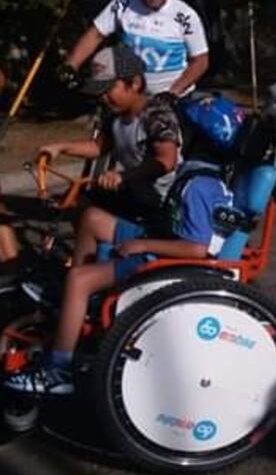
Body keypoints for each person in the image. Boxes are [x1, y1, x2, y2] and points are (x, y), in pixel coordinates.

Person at [4, 101, 238, 396]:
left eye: (185, 131)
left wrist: (142, 243)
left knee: (79, 280)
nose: (179, 136)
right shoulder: (200, 175)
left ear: (198, 139)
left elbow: (197, 249)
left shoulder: (199, 186)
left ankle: (58, 370)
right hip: (164, 240)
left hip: (166, 259)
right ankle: (75, 310)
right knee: (91, 219)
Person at [37, 43, 181, 267]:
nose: (103, 97)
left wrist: (124, 176)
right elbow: (99, 147)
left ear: (134, 83)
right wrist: (60, 147)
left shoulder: (157, 115)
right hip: (136, 191)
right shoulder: (116, 117)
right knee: (77, 199)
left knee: (90, 215)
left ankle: (83, 276)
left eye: (107, 89)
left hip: (160, 202)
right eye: (99, 91)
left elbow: (166, 161)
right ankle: (88, 258)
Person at [58, 0, 209, 101]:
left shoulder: (185, 15)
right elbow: (96, 34)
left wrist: (173, 92)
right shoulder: (124, 3)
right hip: (131, 97)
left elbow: (200, 61)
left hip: (172, 98)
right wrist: (71, 65)